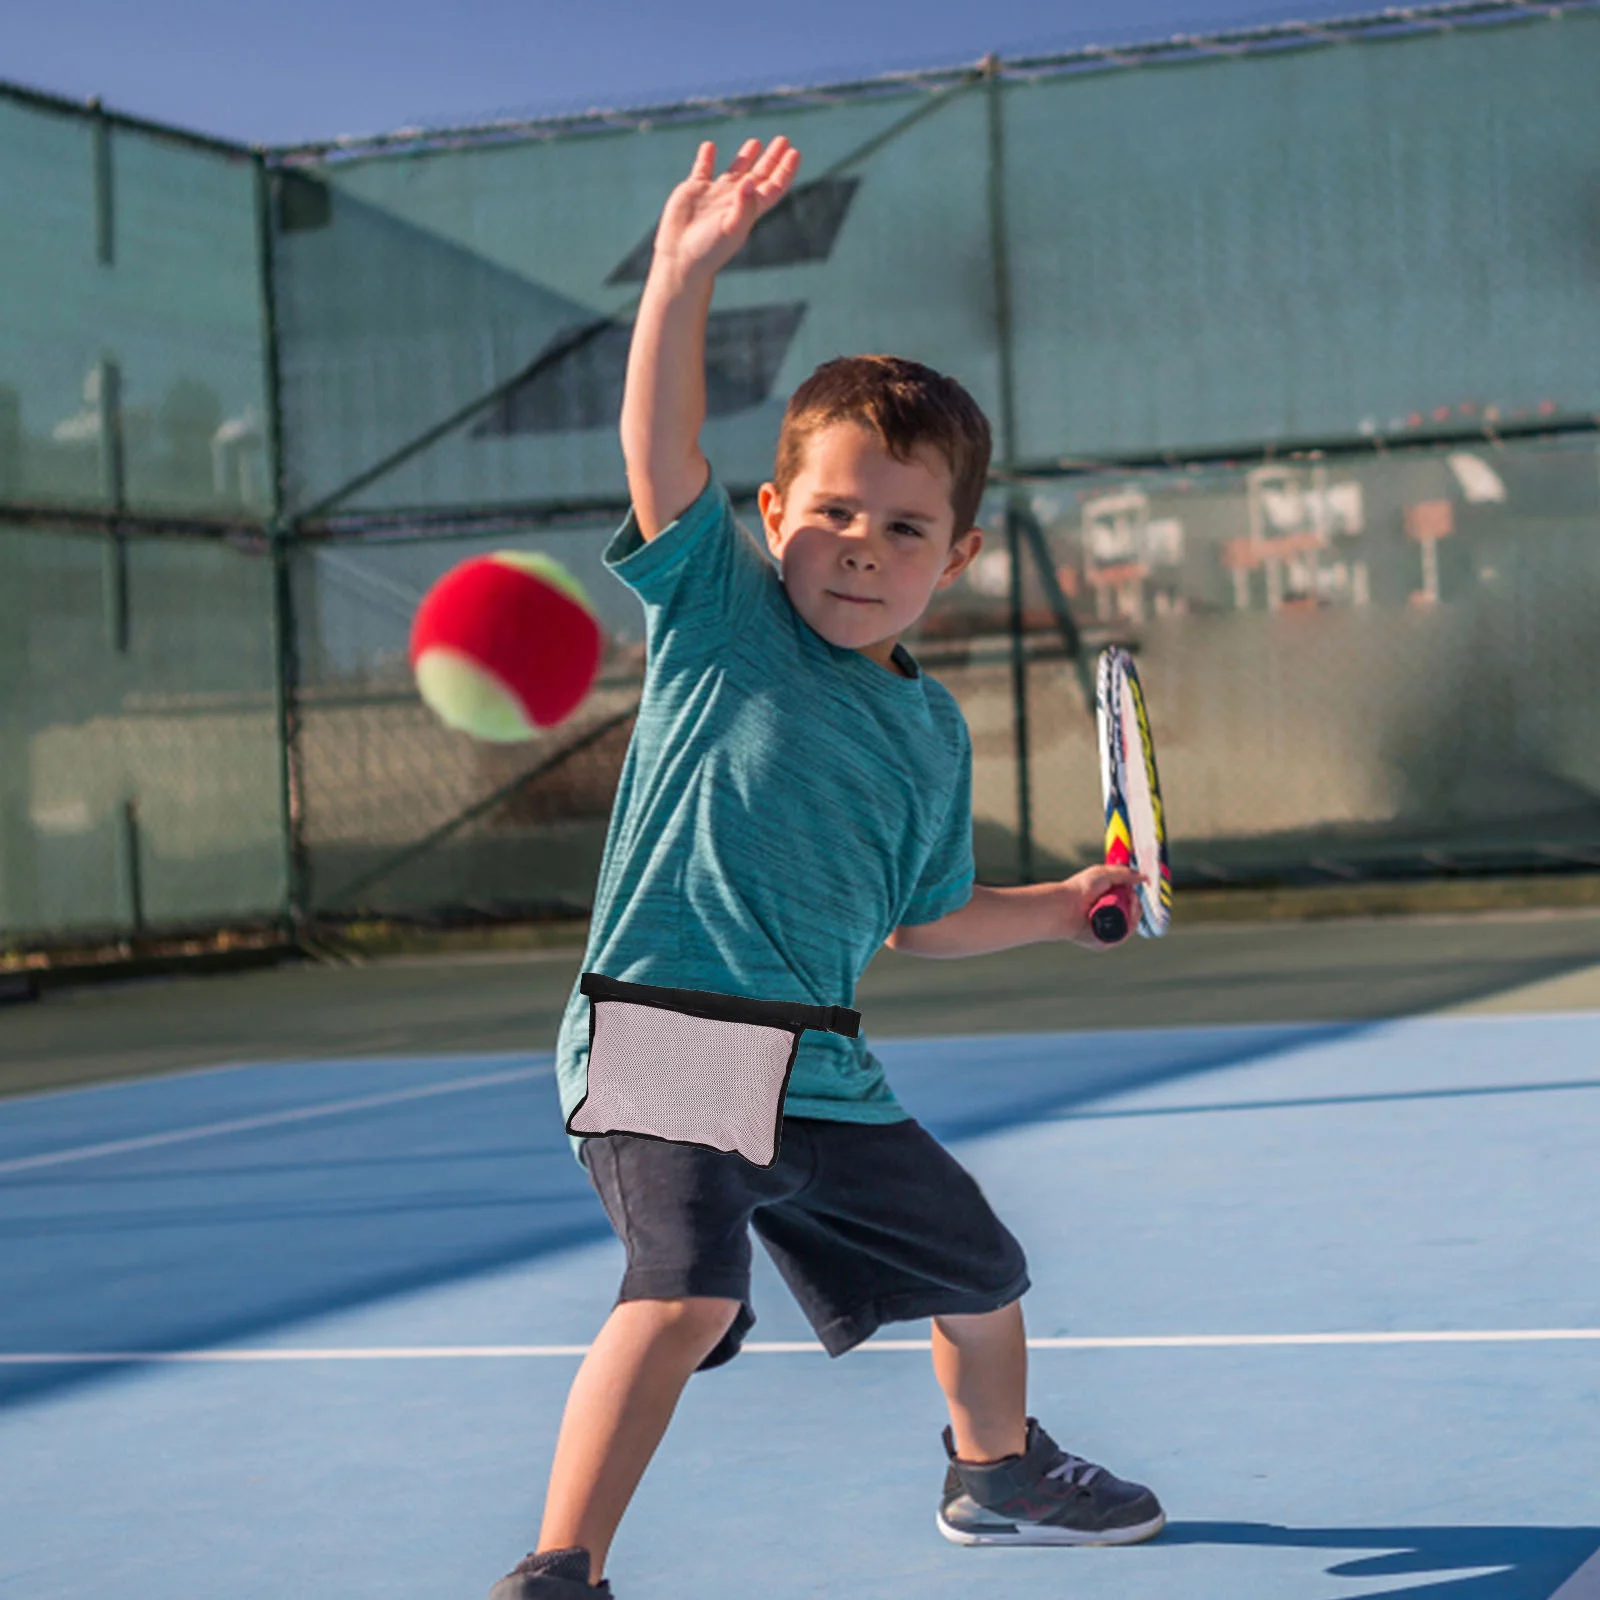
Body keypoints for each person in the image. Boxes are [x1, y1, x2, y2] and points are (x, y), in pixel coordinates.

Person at [490, 135, 1162, 1600]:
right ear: (777, 517)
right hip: (666, 1036)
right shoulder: (722, 613)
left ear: (958, 554)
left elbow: (924, 922)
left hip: (820, 1064)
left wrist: (1060, 910)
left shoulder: (926, 732)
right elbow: (660, 455)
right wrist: (683, 272)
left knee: (984, 1275)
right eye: (836, 515)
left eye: (905, 526)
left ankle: (994, 1472)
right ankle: (561, 1570)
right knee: (680, 1300)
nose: (864, 547)